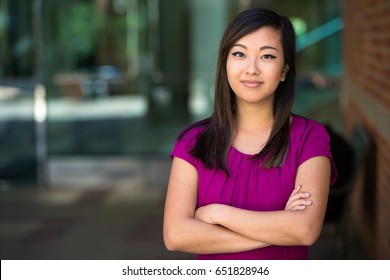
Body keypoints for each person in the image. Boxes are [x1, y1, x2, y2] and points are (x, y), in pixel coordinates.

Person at [163, 8, 337, 260]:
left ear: (285, 70)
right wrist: (278, 229)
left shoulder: (309, 137)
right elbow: (175, 235)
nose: (251, 68)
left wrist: (216, 215)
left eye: (267, 56)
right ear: (225, 63)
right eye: (239, 54)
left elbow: (306, 229)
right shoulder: (193, 141)